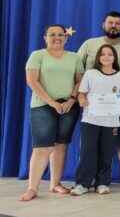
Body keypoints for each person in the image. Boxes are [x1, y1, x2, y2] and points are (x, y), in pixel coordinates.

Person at [77, 11, 120, 187]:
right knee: (89, 147)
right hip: (93, 109)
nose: (114, 26)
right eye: (110, 22)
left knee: (119, 144)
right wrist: (80, 97)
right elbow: (78, 70)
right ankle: (84, 182)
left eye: (118, 23)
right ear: (103, 24)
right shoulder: (89, 44)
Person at [20, 24, 84, 201]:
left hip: (68, 106)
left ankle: (55, 184)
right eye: (52, 34)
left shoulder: (75, 58)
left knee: (60, 145)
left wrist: (72, 99)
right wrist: (52, 102)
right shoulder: (37, 56)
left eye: (60, 35)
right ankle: (32, 188)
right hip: (43, 105)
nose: (57, 37)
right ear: (45, 37)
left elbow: (79, 81)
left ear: (66, 37)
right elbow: (32, 81)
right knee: (42, 147)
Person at [71, 45, 120, 196]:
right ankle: (82, 184)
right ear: (98, 57)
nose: (106, 57)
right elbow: (81, 94)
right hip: (90, 119)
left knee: (107, 153)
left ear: (114, 57)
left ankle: (102, 182)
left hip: (111, 122)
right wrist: (82, 100)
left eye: (110, 54)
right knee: (87, 152)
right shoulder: (91, 74)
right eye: (103, 54)